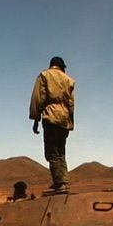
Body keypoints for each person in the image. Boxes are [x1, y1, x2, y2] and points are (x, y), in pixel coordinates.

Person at [29, 56, 75, 194]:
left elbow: (38, 98)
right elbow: (71, 103)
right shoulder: (69, 80)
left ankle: (60, 184)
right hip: (64, 118)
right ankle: (61, 182)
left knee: (52, 151)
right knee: (61, 151)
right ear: (62, 67)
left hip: (51, 115)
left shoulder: (45, 75)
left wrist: (36, 119)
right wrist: (70, 122)